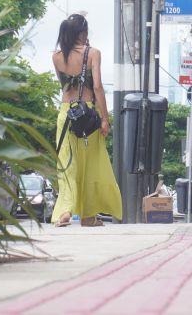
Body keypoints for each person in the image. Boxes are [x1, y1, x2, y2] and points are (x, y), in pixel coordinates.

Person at [51, 14, 122, 227]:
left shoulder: (56, 56)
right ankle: (88, 216)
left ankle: (65, 210)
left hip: (66, 114)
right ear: (83, 33)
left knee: (66, 163)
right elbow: (98, 87)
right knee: (91, 164)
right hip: (88, 116)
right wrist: (105, 119)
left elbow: (64, 86)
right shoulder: (93, 53)